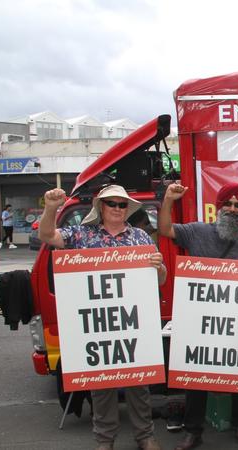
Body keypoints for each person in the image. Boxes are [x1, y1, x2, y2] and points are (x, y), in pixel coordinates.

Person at [38, 185, 166, 450]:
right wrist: (51, 208)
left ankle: (145, 435)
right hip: (99, 325)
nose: (117, 209)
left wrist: (160, 267)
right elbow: (48, 235)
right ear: (101, 207)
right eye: (112, 204)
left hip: (132, 322)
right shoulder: (82, 234)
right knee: (101, 384)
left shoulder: (141, 237)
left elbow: (160, 279)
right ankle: (105, 439)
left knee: (138, 382)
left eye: (122, 205)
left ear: (127, 209)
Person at [159, 181, 238, 450]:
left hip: (236, 321)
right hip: (199, 320)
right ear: (218, 206)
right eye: (227, 203)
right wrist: (169, 199)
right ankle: (193, 431)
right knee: (196, 375)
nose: (232, 209)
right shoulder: (196, 231)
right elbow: (165, 229)